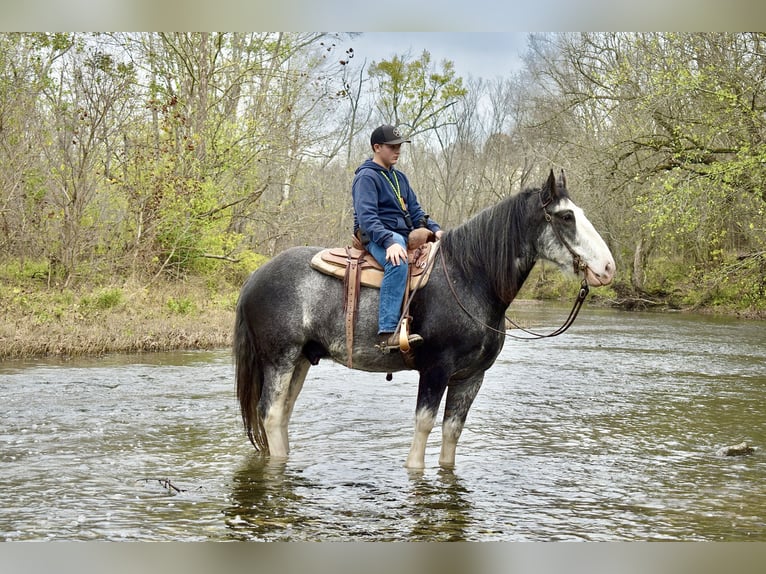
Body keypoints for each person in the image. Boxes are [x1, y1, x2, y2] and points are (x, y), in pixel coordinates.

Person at [352, 124, 444, 352]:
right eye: (392, 146)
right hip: (376, 235)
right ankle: (388, 331)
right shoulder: (366, 177)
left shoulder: (399, 178)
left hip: (401, 235)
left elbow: (416, 212)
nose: (398, 150)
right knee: (398, 261)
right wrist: (389, 242)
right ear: (377, 147)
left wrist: (435, 229)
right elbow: (367, 218)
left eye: (399, 146)